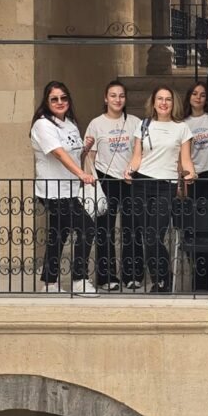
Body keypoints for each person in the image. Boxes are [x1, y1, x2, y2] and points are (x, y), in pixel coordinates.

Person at [123, 86, 196, 293]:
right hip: (141, 184)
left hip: (166, 186)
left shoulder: (182, 128)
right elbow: (137, 156)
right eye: (160, 99)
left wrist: (191, 174)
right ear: (153, 102)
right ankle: (160, 280)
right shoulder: (143, 125)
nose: (164, 103)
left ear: (174, 103)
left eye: (168, 99)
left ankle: (164, 279)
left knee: (154, 236)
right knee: (146, 236)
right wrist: (129, 170)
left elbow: (186, 160)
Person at [30, 80, 97, 294]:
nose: (60, 102)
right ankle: (79, 279)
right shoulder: (42, 125)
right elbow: (58, 153)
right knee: (87, 228)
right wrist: (82, 174)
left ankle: (49, 282)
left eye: (63, 98)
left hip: (69, 190)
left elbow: (73, 155)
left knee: (58, 235)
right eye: (54, 99)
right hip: (53, 191)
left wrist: (84, 149)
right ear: (46, 102)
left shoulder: (70, 123)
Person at [82, 80, 141, 292]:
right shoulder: (96, 124)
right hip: (105, 179)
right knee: (104, 230)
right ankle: (106, 277)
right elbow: (90, 156)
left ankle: (132, 274)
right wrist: (89, 182)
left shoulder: (135, 122)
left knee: (132, 228)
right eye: (113, 95)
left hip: (130, 179)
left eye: (121, 95)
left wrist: (132, 171)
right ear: (105, 98)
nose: (117, 99)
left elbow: (141, 152)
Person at [183, 81, 208, 292]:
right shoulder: (182, 123)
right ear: (189, 97)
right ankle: (198, 273)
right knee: (193, 229)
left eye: (202, 94)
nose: (198, 97)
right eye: (194, 93)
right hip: (191, 178)